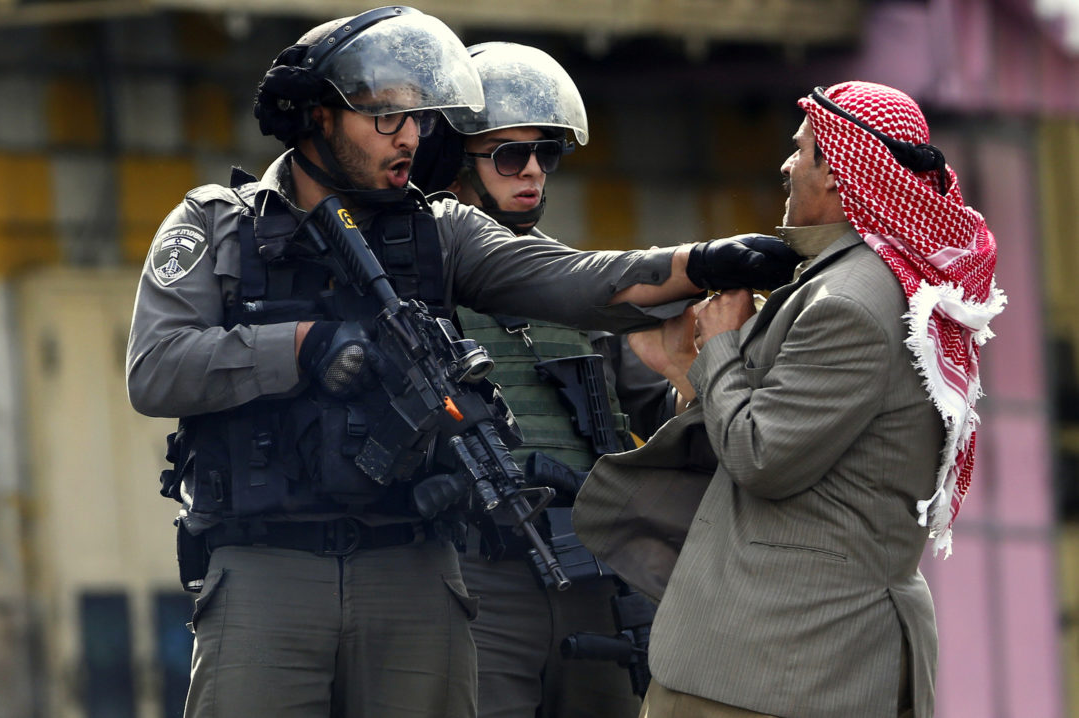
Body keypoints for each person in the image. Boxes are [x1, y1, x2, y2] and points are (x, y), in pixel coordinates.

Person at [124, 6, 796, 718]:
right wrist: (302, 347)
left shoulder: (440, 229)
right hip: (265, 568)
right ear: (320, 116)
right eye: (387, 118)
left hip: (413, 566)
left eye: (419, 120)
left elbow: (578, 281)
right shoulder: (218, 223)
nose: (410, 137)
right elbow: (157, 366)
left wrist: (706, 261)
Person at [579, 81, 1006, 718]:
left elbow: (763, 455)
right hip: (798, 659)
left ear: (839, 175)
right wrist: (696, 370)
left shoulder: (850, 305)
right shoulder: (869, 284)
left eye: (801, 151)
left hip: (779, 665)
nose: (785, 165)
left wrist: (720, 344)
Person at [413, 42, 673, 717]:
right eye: (508, 156)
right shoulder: (410, 285)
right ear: (452, 158)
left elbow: (658, 410)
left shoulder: (577, 291)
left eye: (544, 155)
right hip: (476, 574)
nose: (531, 173)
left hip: (591, 571)